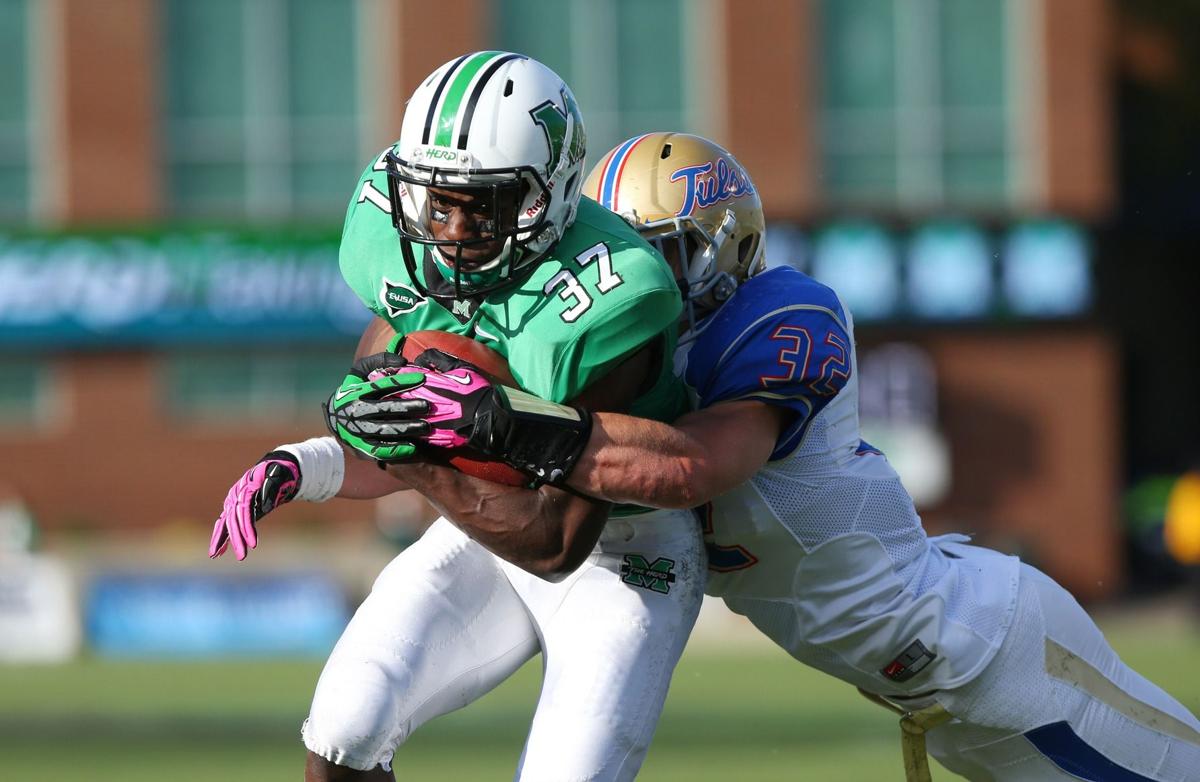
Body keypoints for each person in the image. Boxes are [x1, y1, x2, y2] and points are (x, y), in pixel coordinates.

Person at [339, 132, 1200, 781]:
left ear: (722, 246)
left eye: (655, 249)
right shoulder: (595, 352)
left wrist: (502, 419)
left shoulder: (779, 317)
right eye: (610, 245)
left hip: (989, 650)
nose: (623, 272)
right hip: (928, 700)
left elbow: (697, 461)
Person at [208, 54, 706, 782]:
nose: (451, 230)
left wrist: (420, 449)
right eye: (437, 201)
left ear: (553, 194)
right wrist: (303, 462)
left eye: (484, 204)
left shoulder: (611, 295)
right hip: (484, 521)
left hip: (624, 551)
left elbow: (553, 539)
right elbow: (375, 409)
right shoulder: (396, 242)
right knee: (344, 731)